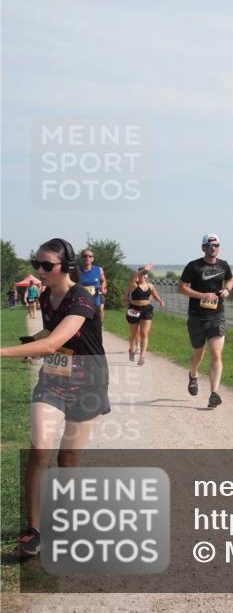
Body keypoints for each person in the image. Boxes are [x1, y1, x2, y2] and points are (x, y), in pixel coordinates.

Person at [0, 238, 110, 559]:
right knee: (39, 450)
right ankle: (33, 532)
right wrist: (29, 344)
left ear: (67, 267)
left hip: (88, 385)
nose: (40, 270)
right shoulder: (47, 296)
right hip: (53, 381)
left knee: (67, 460)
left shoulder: (82, 298)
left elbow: (53, 343)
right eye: (37, 263)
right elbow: (49, 334)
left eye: (47, 265)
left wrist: (4, 351)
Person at [179, 234, 233, 408]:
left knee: (216, 353)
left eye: (216, 245)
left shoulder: (223, 265)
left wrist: (227, 289)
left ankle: (214, 394)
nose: (213, 248)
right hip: (197, 316)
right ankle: (193, 375)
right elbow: (181, 288)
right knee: (198, 355)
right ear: (203, 248)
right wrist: (202, 295)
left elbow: (230, 279)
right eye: (210, 245)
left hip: (217, 315)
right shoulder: (194, 266)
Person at [126, 265, 165, 366]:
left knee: (144, 333)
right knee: (134, 334)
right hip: (134, 309)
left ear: (147, 276)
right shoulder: (134, 285)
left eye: (145, 274)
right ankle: (131, 349)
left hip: (146, 310)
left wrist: (160, 301)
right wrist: (143, 270)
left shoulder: (150, 286)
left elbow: (155, 295)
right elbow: (133, 277)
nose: (142, 275)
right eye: (141, 274)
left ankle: (142, 356)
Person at [77, 248, 108, 323]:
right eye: (85, 256)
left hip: (96, 297)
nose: (87, 258)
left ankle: (100, 326)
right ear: (81, 258)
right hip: (82, 298)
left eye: (90, 256)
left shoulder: (98, 270)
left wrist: (103, 287)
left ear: (92, 259)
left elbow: (103, 280)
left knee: (100, 310)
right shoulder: (76, 271)